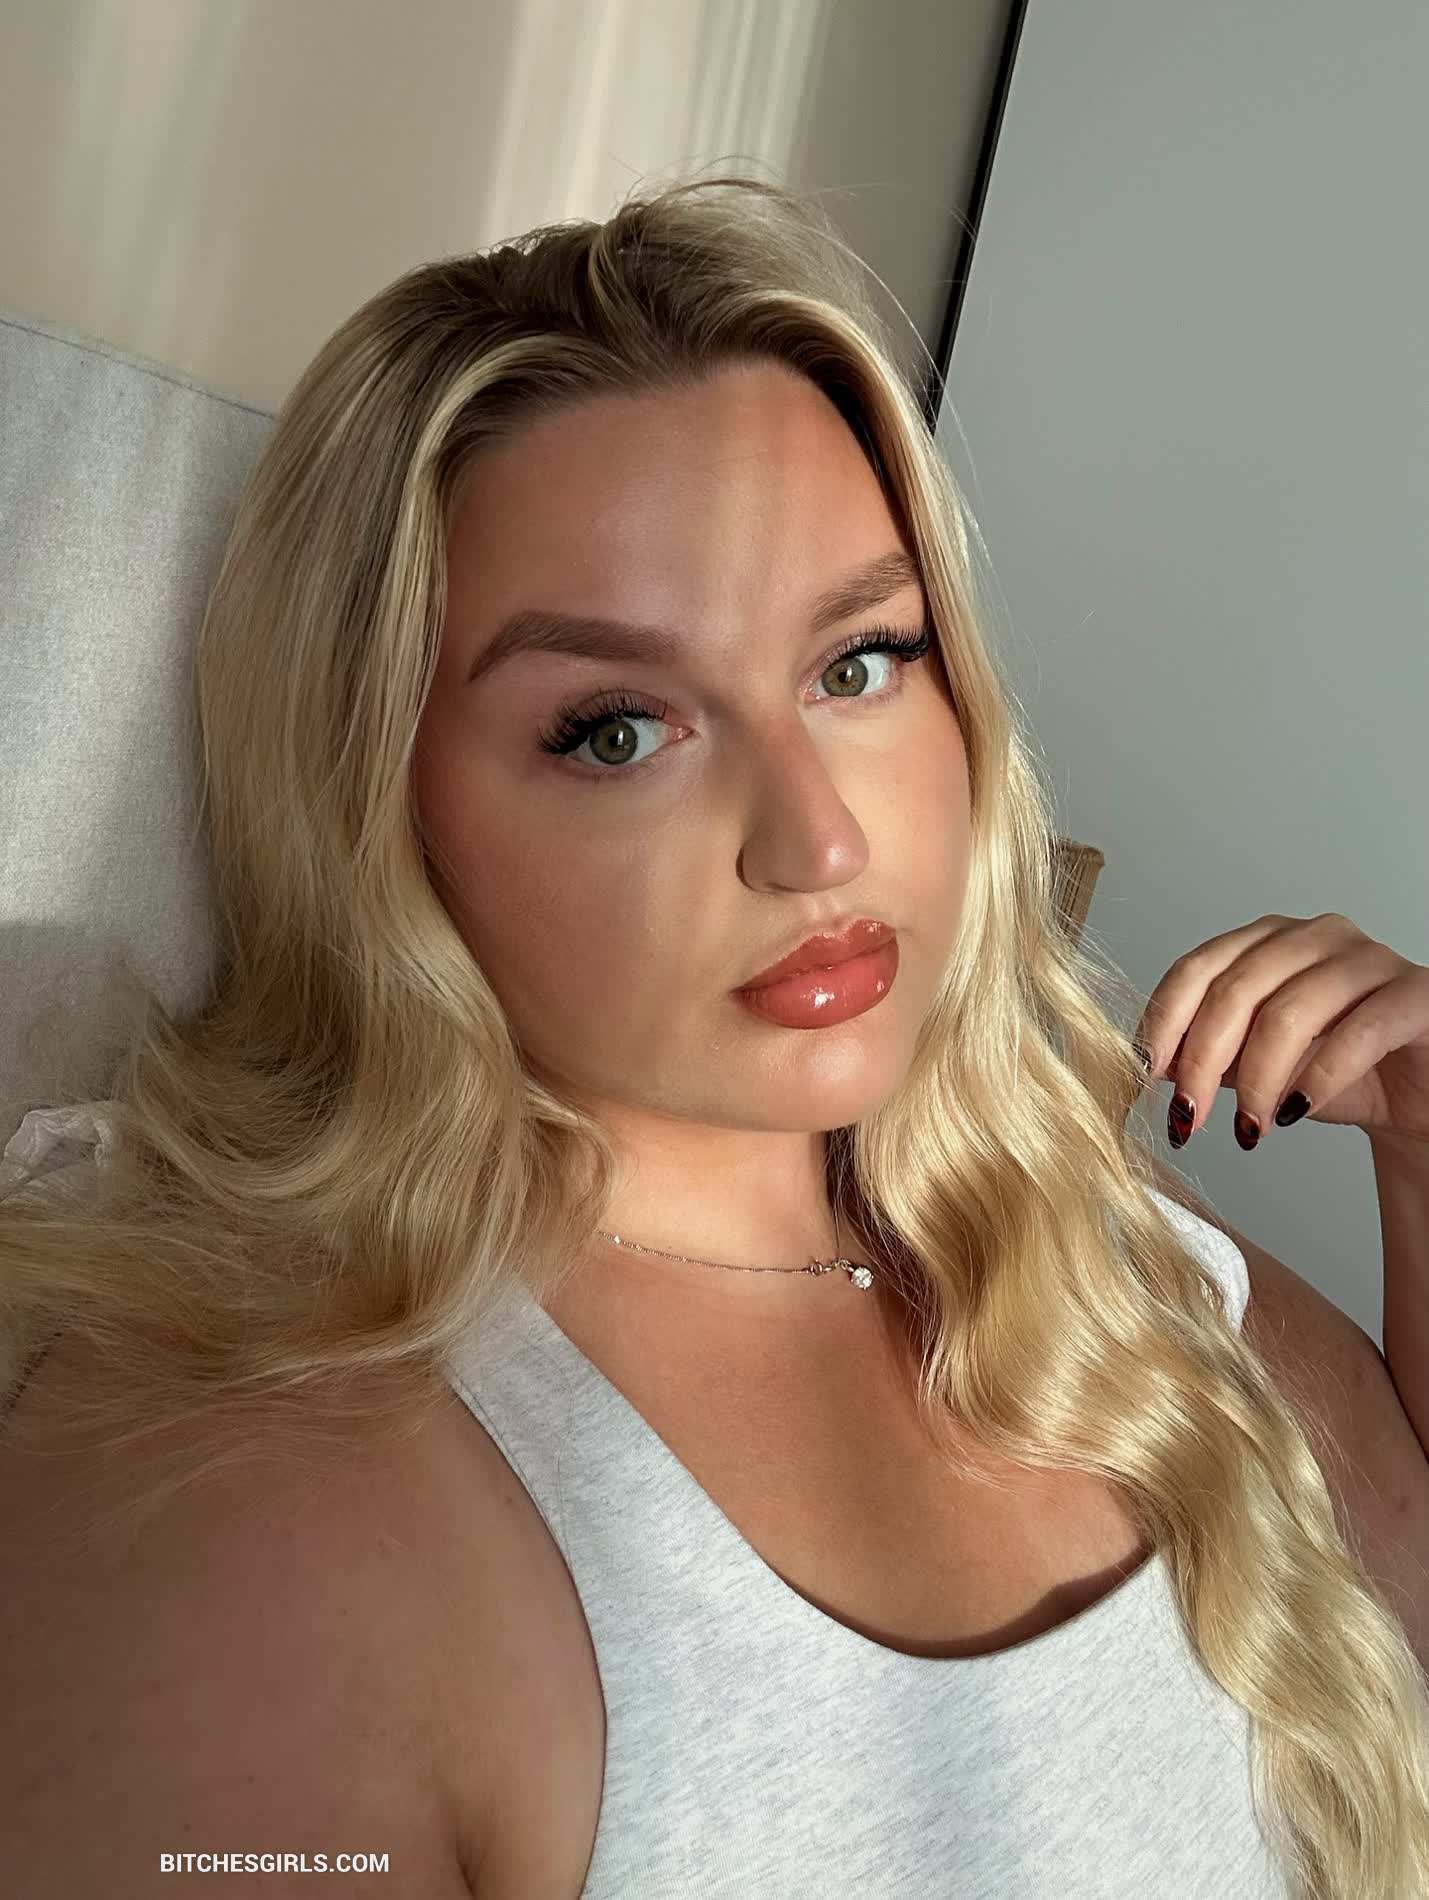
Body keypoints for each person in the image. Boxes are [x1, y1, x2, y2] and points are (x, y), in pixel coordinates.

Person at [1, 174, 1427, 1898]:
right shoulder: (262, 1480)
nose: (816, 842)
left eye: (860, 662)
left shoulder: (1083, 1237)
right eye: (616, 729)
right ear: (376, 802)